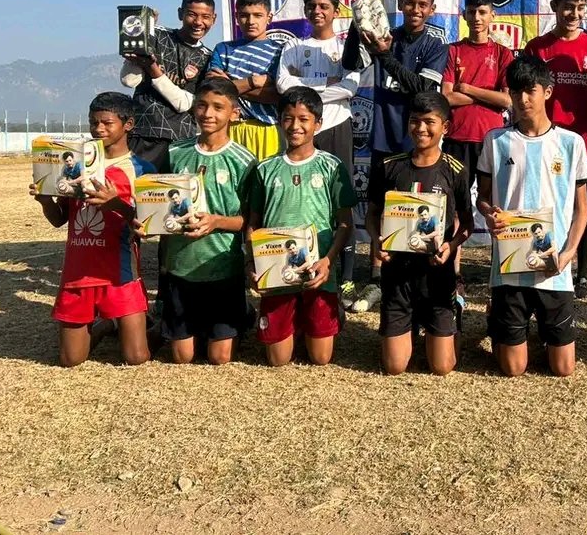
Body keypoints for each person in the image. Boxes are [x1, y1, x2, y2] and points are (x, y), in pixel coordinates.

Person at [477, 55, 587, 377]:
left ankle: (539, 332)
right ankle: (498, 321)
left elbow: (583, 208)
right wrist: (488, 214)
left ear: (548, 92)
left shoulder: (571, 143)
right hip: (509, 268)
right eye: (516, 91)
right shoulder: (495, 140)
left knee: (563, 369)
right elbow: (482, 198)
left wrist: (568, 254)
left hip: (554, 269)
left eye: (530, 90)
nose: (523, 99)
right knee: (513, 369)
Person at [136, 77, 257, 366]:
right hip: (181, 268)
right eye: (202, 105)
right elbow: (157, 202)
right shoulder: (176, 152)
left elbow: (249, 220)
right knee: (182, 358)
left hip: (222, 269)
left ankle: (244, 316)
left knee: (219, 358)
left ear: (234, 112)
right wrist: (147, 223)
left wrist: (216, 221)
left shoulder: (245, 160)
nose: (208, 113)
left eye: (218, 107)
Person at [29, 92, 155, 367]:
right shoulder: (75, 165)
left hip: (119, 274)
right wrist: (45, 200)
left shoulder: (141, 170)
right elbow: (59, 220)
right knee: (70, 360)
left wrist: (116, 204)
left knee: (136, 357)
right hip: (78, 273)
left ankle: (120, 321)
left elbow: (147, 227)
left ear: (128, 124)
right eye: (93, 122)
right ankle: (107, 324)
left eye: (107, 123)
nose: (98, 129)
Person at [354, 0, 448, 313]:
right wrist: (357, 28)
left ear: (432, 8)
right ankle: (376, 278)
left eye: (422, 4)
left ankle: (419, 276)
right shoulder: (384, 36)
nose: (415, 10)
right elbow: (351, 63)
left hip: (418, 141)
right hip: (383, 135)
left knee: (420, 208)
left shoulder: (436, 46)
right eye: (410, 3)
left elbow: (422, 89)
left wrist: (386, 56)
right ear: (400, 4)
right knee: (379, 207)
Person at [246, 87, 356, 367]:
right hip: (277, 274)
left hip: (317, 272)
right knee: (278, 360)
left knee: (320, 358)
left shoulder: (332, 166)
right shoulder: (265, 168)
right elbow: (253, 223)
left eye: (304, 119)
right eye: (288, 118)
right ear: (279, 120)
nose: (295, 126)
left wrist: (328, 261)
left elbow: (345, 223)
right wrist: (252, 263)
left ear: (318, 124)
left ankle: (330, 312)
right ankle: (290, 321)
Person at [366, 91, 473, 375]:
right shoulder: (389, 167)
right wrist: (376, 240)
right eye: (415, 121)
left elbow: (467, 224)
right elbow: (372, 214)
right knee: (394, 367)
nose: (421, 128)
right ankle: (409, 323)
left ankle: (455, 310)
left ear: (445, 127)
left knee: (442, 367)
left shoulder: (455, 170)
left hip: (437, 277)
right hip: (397, 276)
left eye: (429, 122)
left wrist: (451, 245)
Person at [275, 0, 364, 307]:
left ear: (336, 11)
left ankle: (348, 277)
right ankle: (302, 266)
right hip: (303, 130)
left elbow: (350, 87)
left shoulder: (346, 46)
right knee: (303, 199)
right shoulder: (294, 46)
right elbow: (284, 85)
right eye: (312, 6)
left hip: (337, 126)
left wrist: (306, 86)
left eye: (324, 6)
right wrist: (327, 83)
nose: (317, 11)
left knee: (341, 201)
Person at [524, 0, 587, 301]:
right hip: (545, 143)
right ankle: (538, 262)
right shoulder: (537, 47)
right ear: (554, 6)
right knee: (543, 205)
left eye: (580, 7)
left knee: (586, 210)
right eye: (568, 7)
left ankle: (582, 277)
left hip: (586, 144)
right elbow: (525, 96)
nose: (574, 14)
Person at [442, 0, 514, 280]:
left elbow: (506, 100)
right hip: (457, 139)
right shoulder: (453, 51)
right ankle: (453, 272)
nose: (477, 17)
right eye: (471, 12)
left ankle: (502, 270)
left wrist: (468, 88)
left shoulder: (503, 54)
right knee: (454, 208)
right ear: (464, 15)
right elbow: (446, 97)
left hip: (492, 140)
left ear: (492, 15)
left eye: (482, 12)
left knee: (497, 207)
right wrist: (487, 94)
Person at [121, 0, 217, 173]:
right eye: (192, 15)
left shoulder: (208, 58)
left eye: (205, 17)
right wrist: (141, 38)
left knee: (175, 190)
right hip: (143, 133)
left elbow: (185, 104)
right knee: (140, 188)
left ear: (214, 19)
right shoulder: (157, 35)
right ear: (180, 13)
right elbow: (129, 80)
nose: (198, 22)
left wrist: (153, 70)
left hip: (182, 140)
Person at [206, 0, 283, 161]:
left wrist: (229, 84)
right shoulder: (223, 49)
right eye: (244, 15)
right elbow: (215, 91)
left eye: (257, 15)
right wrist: (252, 81)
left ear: (269, 17)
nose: (250, 21)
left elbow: (277, 96)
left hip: (268, 129)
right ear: (236, 17)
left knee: (266, 177)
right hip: (228, 129)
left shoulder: (280, 52)